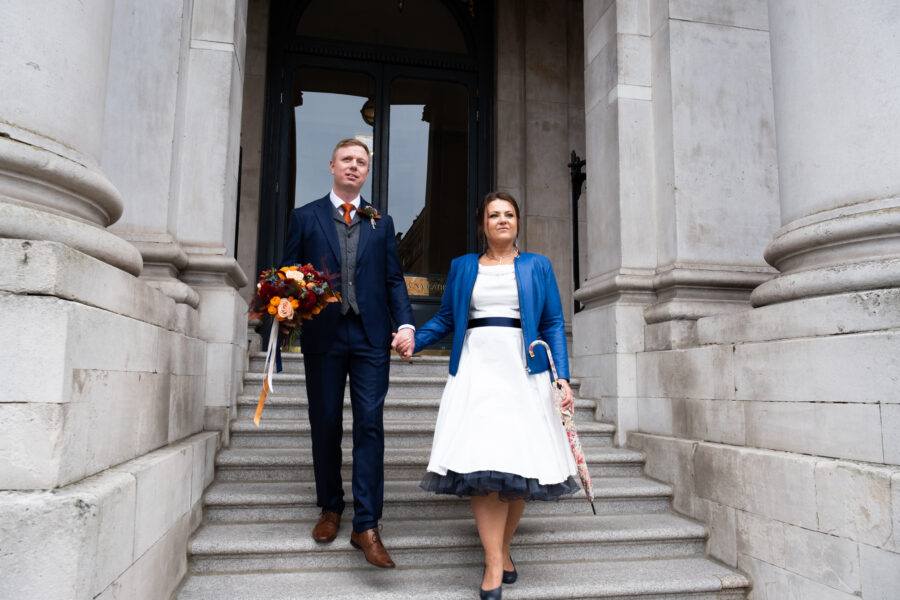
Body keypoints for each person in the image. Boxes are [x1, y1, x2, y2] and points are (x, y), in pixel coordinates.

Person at [398, 191, 578, 599]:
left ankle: (503, 549)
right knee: (482, 466)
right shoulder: (463, 267)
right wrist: (416, 341)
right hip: (476, 372)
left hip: (525, 372)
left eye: (508, 214)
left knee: (520, 465)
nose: (501, 220)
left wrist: (561, 377)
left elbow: (551, 322)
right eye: (493, 215)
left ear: (517, 222)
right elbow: (446, 317)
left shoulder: (538, 265)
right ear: (482, 223)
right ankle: (494, 562)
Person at [282, 138, 415, 568]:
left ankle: (366, 523)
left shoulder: (381, 221)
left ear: (367, 170)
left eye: (361, 162)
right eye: (347, 160)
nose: (354, 167)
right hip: (323, 335)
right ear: (332, 165)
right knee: (324, 421)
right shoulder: (305, 217)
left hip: (371, 337)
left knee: (370, 425)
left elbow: (394, 279)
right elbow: (289, 274)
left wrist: (406, 323)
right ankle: (330, 507)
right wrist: (284, 306)